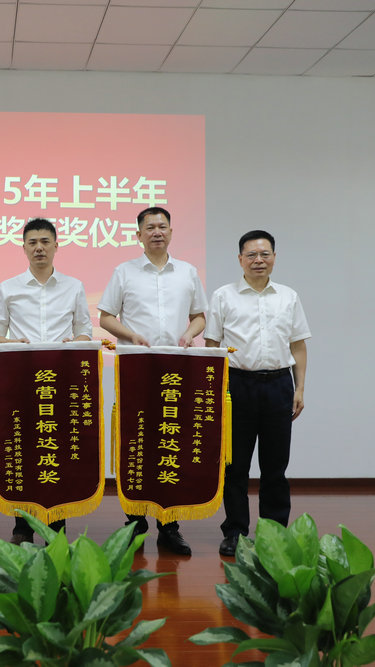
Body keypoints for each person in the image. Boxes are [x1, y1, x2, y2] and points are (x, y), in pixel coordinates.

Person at [97, 206, 208, 556]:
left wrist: (189, 334)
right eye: (150, 227)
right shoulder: (124, 272)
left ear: (171, 232)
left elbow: (200, 317)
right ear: (139, 235)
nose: (157, 232)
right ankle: (134, 520)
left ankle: (168, 525)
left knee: (170, 440)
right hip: (136, 366)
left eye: (162, 226)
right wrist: (131, 335)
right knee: (136, 440)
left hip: (177, 367)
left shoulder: (187, 272)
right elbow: (105, 317)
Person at [204, 230, 310, 558]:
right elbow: (212, 345)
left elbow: (298, 345)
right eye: (251, 255)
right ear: (240, 259)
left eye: (265, 254)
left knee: (275, 466)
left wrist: (300, 387)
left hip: (279, 385)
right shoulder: (223, 296)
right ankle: (235, 531)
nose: (258, 260)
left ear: (274, 258)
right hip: (237, 385)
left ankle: (273, 534)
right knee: (234, 467)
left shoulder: (288, 297)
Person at [0, 218, 92, 544]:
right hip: (20, 381)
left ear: (56, 246)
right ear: (24, 247)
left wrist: (74, 344)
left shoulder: (74, 286)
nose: (39, 248)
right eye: (32, 242)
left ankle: (56, 525)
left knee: (57, 450)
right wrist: (12, 344)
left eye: (45, 242)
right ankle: (22, 526)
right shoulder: (8, 288)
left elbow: (84, 331)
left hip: (60, 381)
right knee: (23, 449)